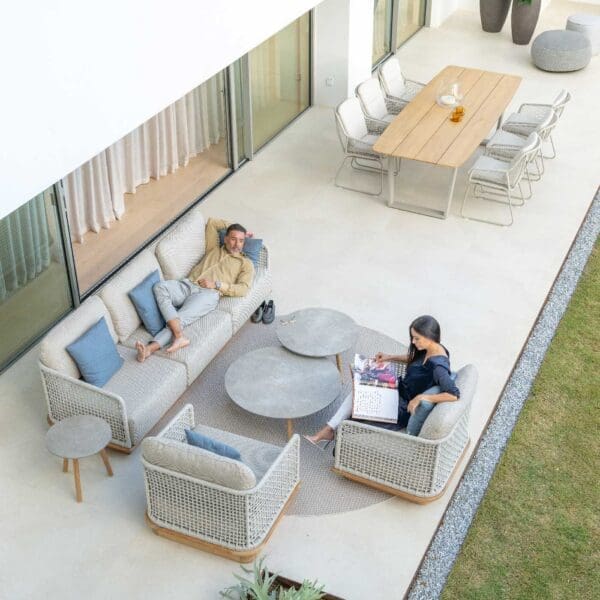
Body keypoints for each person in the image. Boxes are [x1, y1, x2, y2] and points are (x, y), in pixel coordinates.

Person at [304, 315, 460, 447]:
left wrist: (422, 397)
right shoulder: (434, 348)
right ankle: (330, 429)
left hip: (401, 408)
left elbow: (453, 394)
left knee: (362, 394)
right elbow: (415, 360)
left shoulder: (438, 366)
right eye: (412, 337)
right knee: (360, 387)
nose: (413, 342)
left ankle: (328, 431)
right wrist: (389, 356)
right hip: (399, 390)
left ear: (429, 337)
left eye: (417, 338)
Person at [136, 218, 254, 362]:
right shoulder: (214, 248)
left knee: (181, 317)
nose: (237, 244)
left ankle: (149, 349)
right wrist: (239, 229)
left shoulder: (246, 264)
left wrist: (216, 285)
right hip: (188, 284)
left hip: (208, 295)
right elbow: (212, 223)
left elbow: (243, 289)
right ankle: (179, 337)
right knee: (160, 287)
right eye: (233, 239)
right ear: (226, 238)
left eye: (241, 240)